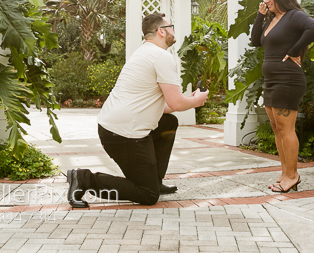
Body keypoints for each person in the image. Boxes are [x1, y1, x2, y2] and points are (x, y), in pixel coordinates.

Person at [66, 12, 209, 207]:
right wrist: (197, 100)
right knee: (147, 195)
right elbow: (176, 104)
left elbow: (164, 106)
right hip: (124, 134)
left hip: (113, 128)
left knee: (168, 122)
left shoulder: (144, 52)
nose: (174, 30)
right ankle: (84, 179)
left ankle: (154, 181)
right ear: (161, 31)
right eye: (171, 27)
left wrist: (189, 99)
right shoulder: (161, 57)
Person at [250, 0, 314, 193]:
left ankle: (293, 175)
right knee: (276, 128)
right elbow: (255, 41)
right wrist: (260, 16)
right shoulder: (272, 19)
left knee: (285, 128)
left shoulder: (293, 15)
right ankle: (285, 173)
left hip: (288, 79)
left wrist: (294, 50)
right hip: (272, 81)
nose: (267, 0)